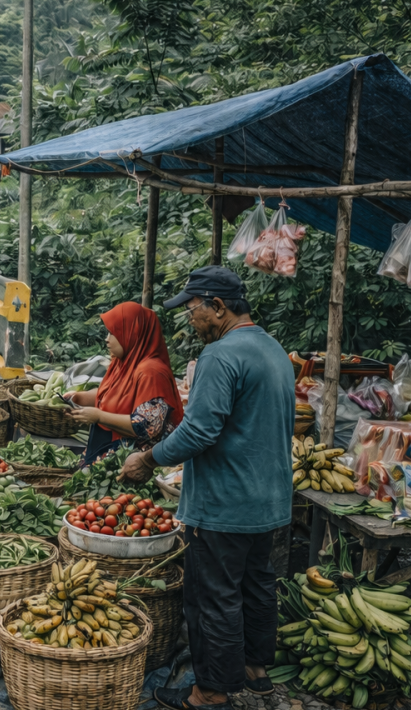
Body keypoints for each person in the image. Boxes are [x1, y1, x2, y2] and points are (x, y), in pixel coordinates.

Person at [117, 267, 295, 710]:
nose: (190, 320)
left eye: (193, 310)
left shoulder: (219, 355)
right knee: (256, 585)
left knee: (213, 597)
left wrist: (148, 458)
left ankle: (210, 692)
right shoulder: (272, 348)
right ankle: (254, 670)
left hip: (224, 502)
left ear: (217, 306)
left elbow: (199, 432)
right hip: (268, 500)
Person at [63, 301, 184, 466]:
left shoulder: (151, 371)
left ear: (132, 333)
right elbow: (113, 394)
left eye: (113, 333)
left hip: (134, 464)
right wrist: (78, 397)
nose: (107, 339)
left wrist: (99, 416)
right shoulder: (123, 363)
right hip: (110, 456)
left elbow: (148, 426)